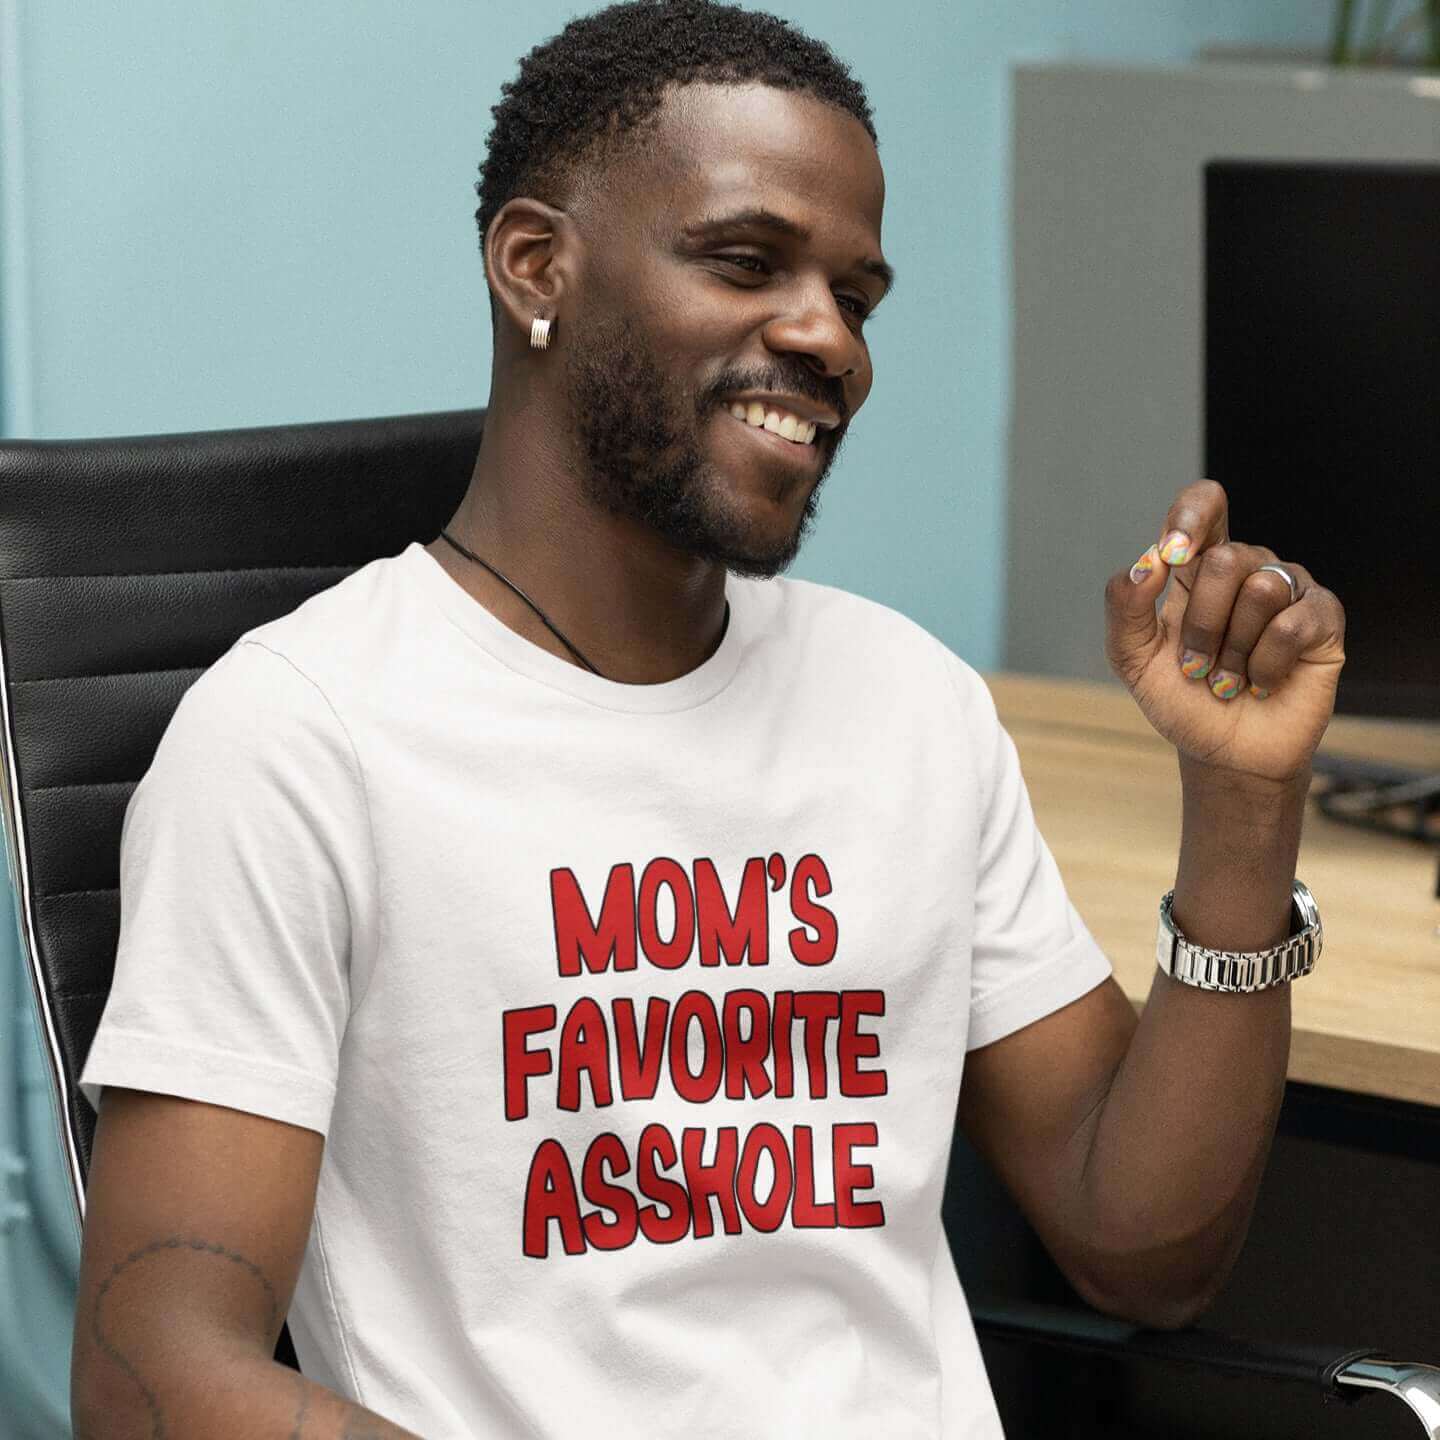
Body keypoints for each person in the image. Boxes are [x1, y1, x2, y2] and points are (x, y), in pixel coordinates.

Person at [69, 2, 1346, 1437]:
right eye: (748, 262)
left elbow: (1144, 1251)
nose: (830, 341)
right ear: (535, 265)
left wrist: (1244, 806)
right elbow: (153, 1380)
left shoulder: (907, 702)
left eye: (856, 297)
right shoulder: (303, 739)